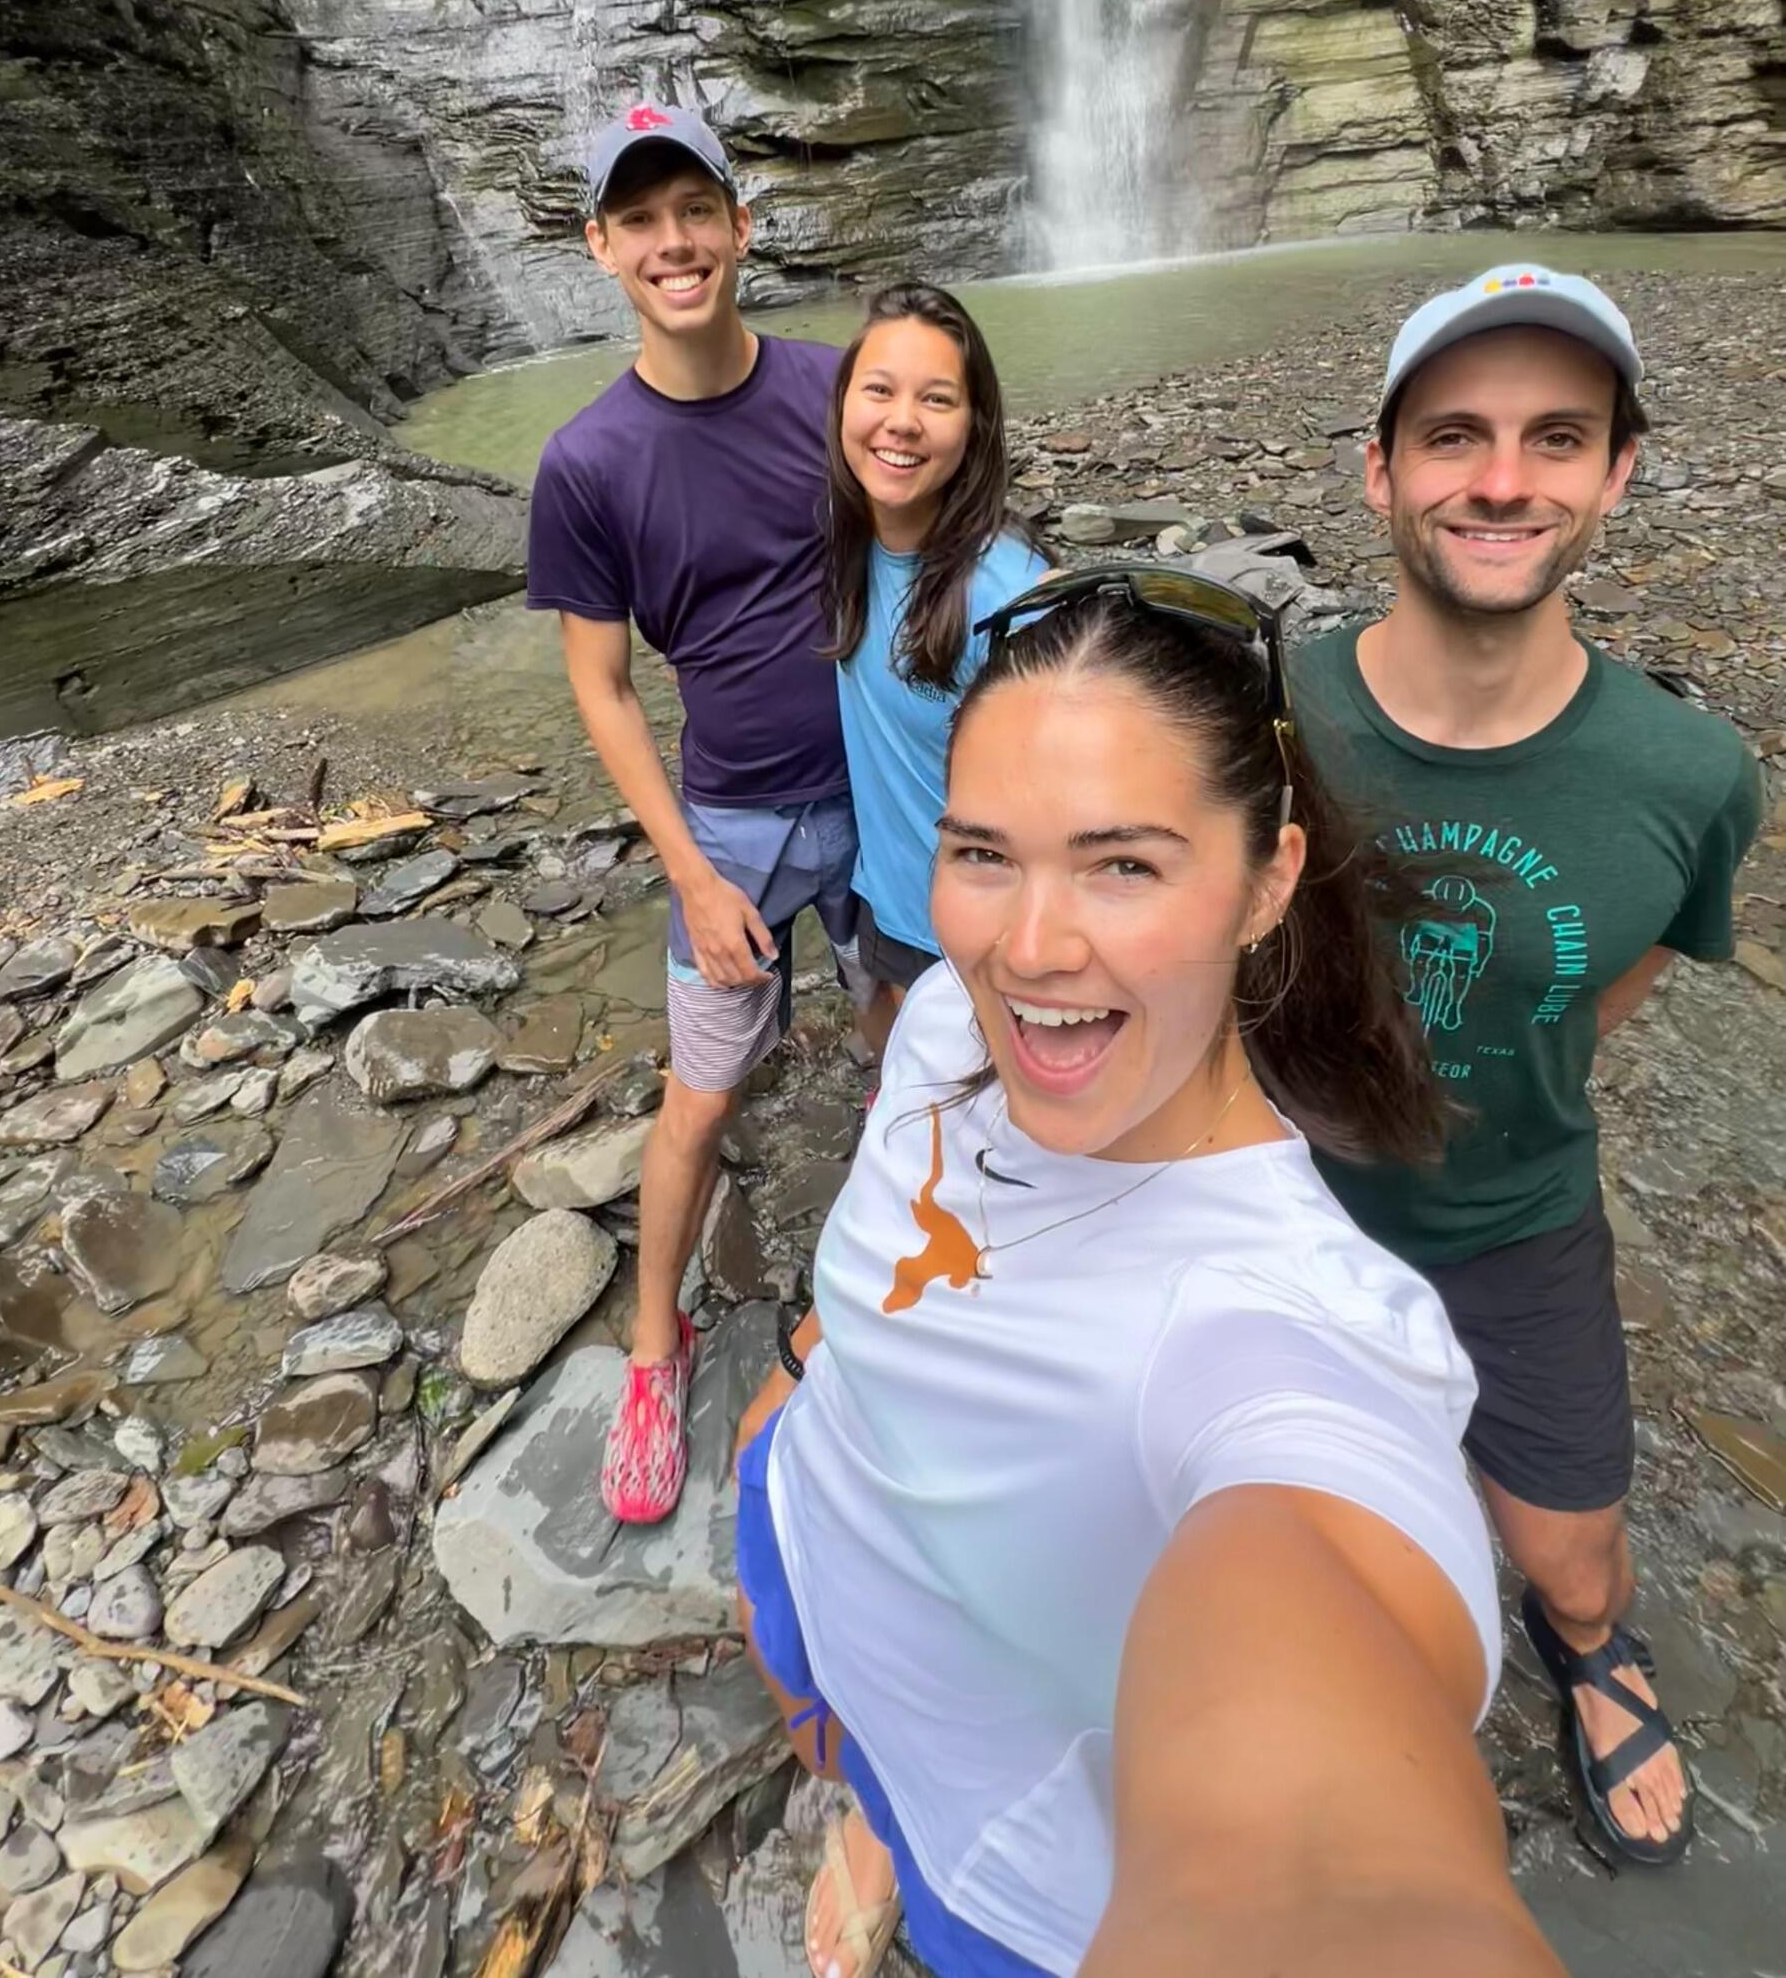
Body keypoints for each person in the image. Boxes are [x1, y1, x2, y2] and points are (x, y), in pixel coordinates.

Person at [733, 567, 1560, 1978]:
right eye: (983, 853)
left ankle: (891, 1833)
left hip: (1010, 1870)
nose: (1029, 945)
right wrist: (799, 1377)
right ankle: (861, 1809)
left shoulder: (1279, 1337)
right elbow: (909, 1225)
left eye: (1123, 864)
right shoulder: (950, 1012)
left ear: (1266, 881)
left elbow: (1319, 1847)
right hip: (805, 1522)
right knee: (848, 1747)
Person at [1290, 264, 1765, 1870]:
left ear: (1614, 474)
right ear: (1380, 470)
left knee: (1568, 1562)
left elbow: (1620, 971)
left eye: (1553, 438)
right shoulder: (1264, 714)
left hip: (1515, 1220)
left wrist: (1494, 1061)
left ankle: (1588, 1657)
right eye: (1453, 437)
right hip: (1273, 1213)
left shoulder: (1689, 775)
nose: (1500, 479)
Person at [526, 102, 876, 1526]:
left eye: (697, 212)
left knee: (911, 1041)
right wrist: (691, 874)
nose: (675, 243)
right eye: (642, 220)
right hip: (726, 826)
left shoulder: (838, 388)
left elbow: (932, 558)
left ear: (739, 226)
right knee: (701, 1095)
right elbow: (603, 689)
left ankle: (925, 1277)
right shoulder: (586, 463)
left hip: (877, 800)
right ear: (601, 247)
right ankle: (654, 1351)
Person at [825, 283, 1044, 1045]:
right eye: (878, 390)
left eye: (937, 400)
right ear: (843, 405)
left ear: (974, 427)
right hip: (886, 903)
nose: (901, 422)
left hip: (983, 943)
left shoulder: (1012, 596)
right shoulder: (850, 542)